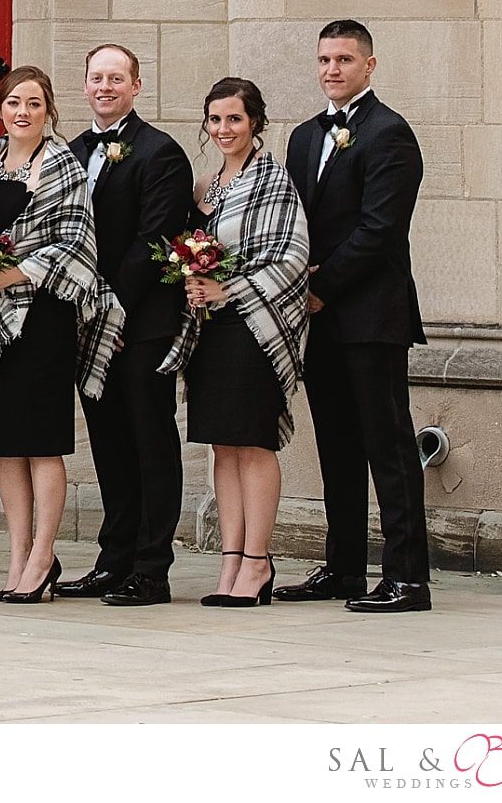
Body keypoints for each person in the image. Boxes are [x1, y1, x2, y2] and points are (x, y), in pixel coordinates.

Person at [276, 20, 433, 614]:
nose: (332, 69)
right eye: (324, 59)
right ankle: (342, 568)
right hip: (319, 319)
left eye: (344, 59)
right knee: (336, 445)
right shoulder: (303, 136)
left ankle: (407, 578)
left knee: (386, 445)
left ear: (369, 65)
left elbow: (380, 229)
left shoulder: (389, 133)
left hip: (371, 315)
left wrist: (323, 288)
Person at [0, 67, 124, 605]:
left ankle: (44, 555)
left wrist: (8, 272)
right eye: (13, 103)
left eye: (33, 102)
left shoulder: (64, 167)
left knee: (43, 444)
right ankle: (17, 555)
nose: (22, 112)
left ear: (48, 109)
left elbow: (77, 244)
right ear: (1, 109)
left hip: (45, 319)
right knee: (7, 446)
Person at [160, 78, 309, 607]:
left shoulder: (273, 182)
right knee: (222, 445)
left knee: (254, 442)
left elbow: (291, 258)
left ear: (256, 124)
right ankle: (230, 560)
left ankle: (258, 562)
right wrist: (192, 283)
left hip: (255, 328)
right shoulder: (204, 187)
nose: (224, 129)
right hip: (209, 332)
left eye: (235, 120)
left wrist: (229, 287)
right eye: (215, 120)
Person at [56, 44, 195, 607]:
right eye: (96, 78)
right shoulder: (69, 152)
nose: (105, 87)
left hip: (141, 325)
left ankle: (151, 567)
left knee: (149, 442)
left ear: (137, 86)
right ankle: (113, 560)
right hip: (88, 327)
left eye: (116, 78)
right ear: (85, 86)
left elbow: (155, 239)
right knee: (108, 444)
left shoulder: (160, 153)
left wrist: (105, 298)